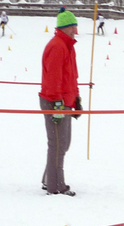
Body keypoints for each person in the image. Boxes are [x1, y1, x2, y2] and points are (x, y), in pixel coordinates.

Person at [39, 7, 81, 196]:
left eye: (75, 26)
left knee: (63, 143)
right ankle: (55, 186)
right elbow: (52, 79)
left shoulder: (68, 47)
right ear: (64, 27)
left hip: (65, 101)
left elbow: (72, 77)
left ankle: (49, 179)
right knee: (57, 144)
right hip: (55, 101)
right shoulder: (57, 46)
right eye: (72, 27)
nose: (75, 30)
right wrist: (57, 104)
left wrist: (76, 99)